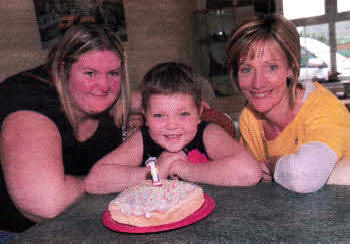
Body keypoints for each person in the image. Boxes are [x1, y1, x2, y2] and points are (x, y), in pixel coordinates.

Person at [0, 23, 130, 232]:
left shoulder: (102, 100)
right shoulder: (30, 104)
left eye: (113, 74)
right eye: (89, 73)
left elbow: (134, 98)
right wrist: (98, 181)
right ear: (63, 69)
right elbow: (45, 203)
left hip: (72, 223)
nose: (104, 85)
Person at [85, 62, 262, 191]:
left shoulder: (208, 133)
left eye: (183, 114)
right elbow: (94, 181)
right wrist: (156, 172)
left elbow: (250, 171)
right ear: (146, 117)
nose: (171, 125)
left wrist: (184, 169)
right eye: (159, 115)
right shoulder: (143, 138)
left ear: (199, 113)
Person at [225, 14, 350, 193]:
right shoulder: (249, 118)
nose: (258, 83)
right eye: (246, 69)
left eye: (271, 67)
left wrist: (272, 164)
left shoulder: (325, 109)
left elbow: (303, 176)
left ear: (291, 68)